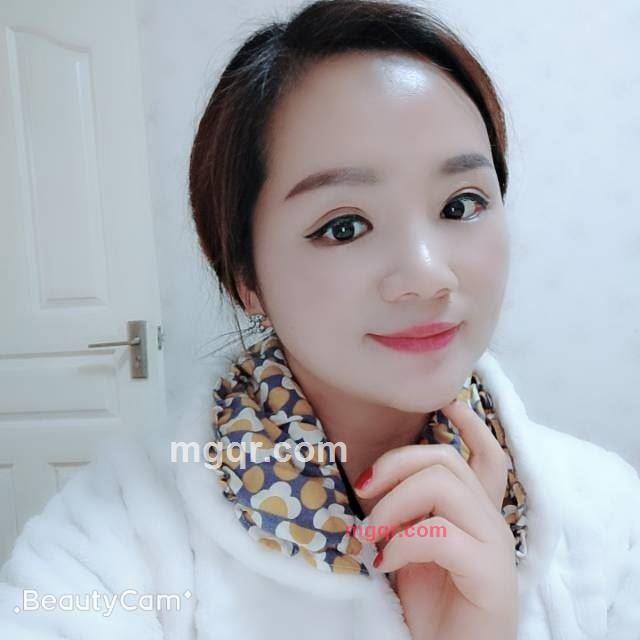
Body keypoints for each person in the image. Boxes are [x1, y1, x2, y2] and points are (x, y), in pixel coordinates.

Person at [1, 1, 638, 638]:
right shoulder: (112, 543)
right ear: (246, 276)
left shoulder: (606, 516)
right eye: (344, 226)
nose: (426, 275)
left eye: (460, 205)